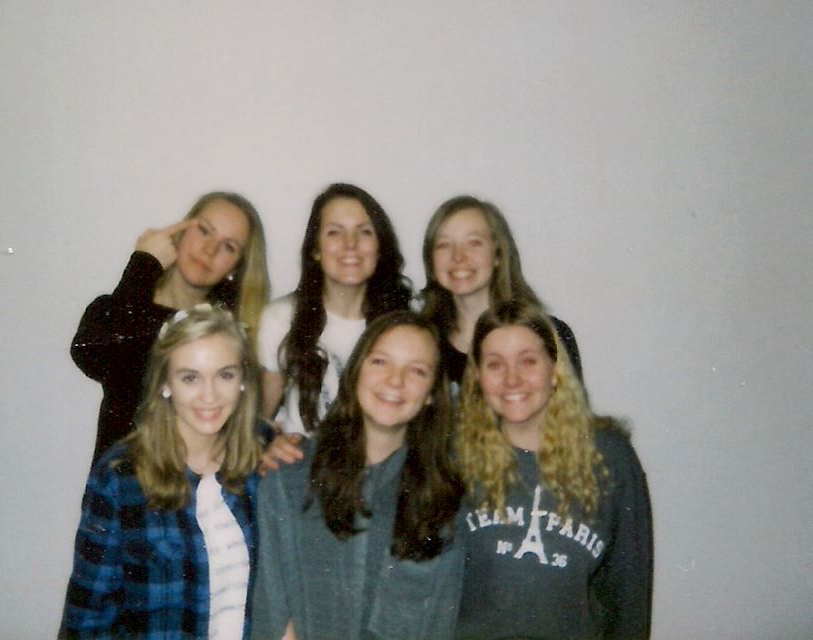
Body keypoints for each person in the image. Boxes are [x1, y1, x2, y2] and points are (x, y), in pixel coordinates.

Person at [251, 311, 465, 640]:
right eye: (380, 362)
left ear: (433, 393)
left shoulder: (444, 496)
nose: (395, 380)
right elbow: (274, 617)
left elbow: (440, 623)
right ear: (356, 371)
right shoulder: (290, 478)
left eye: (417, 370)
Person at [60, 305, 261, 639]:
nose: (209, 395)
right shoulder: (121, 477)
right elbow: (87, 619)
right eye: (190, 377)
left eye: (225, 375)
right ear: (166, 383)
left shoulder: (261, 464)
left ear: (242, 381)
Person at [455, 300, 652, 639]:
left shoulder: (611, 458)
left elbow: (629, 597)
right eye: (495, 364)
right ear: (477, 377)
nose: (512, 379)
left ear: (555, 370)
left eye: (528, 361)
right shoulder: (454, 456)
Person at [72, 192, 269, 464]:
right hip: (120, 486)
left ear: (237, 266)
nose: (210, 250)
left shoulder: (229, 336)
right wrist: (144, 265)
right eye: (204, 231)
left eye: (229, 247)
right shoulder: (125, 311)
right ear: (181, 230)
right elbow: (90, 353)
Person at [257, 183, 412, 467]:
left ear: (380, 248)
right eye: (334, 232)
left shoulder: (405, 324)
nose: (350, 244)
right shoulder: (280, 318)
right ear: (315, 250)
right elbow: (260, 420)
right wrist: (266, 446)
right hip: (302, 470)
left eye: (364, 232)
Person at [420, 195, 581, 388]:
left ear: (498, 254)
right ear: (431, 260)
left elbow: (570, 406)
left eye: (474, 243)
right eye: (444, 245)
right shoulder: (420, 343)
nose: (458, 257)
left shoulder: (549, 335)